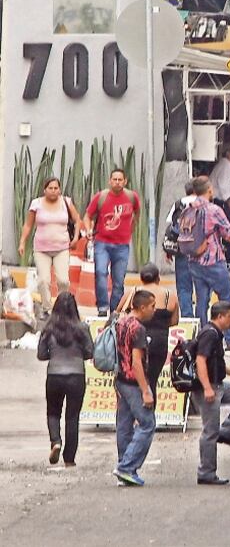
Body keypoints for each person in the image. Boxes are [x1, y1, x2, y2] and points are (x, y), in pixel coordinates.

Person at [190, 300, 230, 485]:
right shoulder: (209, 334)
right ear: (220, 316)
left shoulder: (216, 333)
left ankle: (225, 431)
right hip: (209, 388)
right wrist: (207, 388)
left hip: (219, 385)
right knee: (209, 432)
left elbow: (216, 362)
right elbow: (200, 361)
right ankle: (206, 472)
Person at [188, 176, 230, 353]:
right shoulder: (213, 210)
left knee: (201, 302)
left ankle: (203, 338)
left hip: (194, 262)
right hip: (213, 262)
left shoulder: (188, 209)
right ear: (209, 190)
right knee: (226, 300)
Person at [37, 292, 93, 467]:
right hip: (76, 376)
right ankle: (69, 459)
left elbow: (41, 354)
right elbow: (90, 352)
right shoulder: (82, 328)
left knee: (53, 412)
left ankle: (55, 441)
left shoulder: (48, 328)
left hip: (54, 375)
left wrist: (54, 354)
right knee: (72, 417)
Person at [113, 290, 158, 487]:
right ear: (142, 307)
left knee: (124, 424)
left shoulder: (120, 322)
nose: (154, 310)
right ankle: (127, 467)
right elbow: (136, 363)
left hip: (120, 379)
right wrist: (145, 390)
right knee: (147, 424)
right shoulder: (138, 329)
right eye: (152, 306)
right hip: (132, 382)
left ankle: (124, 467)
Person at [18, 177, 82, 316]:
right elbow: (28, 224)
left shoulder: (66, 202)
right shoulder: (36, 204)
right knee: (43, 281)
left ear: (59, 190)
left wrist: (76, 237)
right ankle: (47, 308)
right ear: (44, 190)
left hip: (62, 248)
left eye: (56, 188)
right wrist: (22, 242)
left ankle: (61, 309)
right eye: (50, 188)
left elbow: (77, 220)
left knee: (63, 281)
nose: (53, 191)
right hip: (41, 249)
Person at [116, 264, 179, 404]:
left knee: (133, 380)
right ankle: (149, 410)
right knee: (152, 381)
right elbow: (174, 321)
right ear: (158, 278)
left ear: (141, 278)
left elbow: (118, 313)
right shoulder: (170, 296)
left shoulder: (133, 293)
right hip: (159, 343)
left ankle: (136, 411)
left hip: (134, 343)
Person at [83, 169, 140, 317]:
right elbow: (87, 216)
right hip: (102, 243)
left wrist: (130, 230)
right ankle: (102, 307)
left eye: (120, 180)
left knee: (118, 281)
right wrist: (89, 229)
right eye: (114, 179)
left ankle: (115, 310)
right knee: (101, 272)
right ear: (110, 181)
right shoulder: (101, 197)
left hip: (122, 246)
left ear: (125, 181)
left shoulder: (131, 197)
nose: (117, 182)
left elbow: (137, 214)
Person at [164, 180, 197, 317]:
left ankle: (188, 317)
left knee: (184, 287)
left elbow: (171, 227)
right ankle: (201, 318)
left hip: (182, 249)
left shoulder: (178, 204)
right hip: (201, 251)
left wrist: (168, 250)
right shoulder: (205, 204)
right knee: (202, 287)